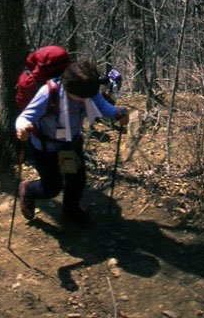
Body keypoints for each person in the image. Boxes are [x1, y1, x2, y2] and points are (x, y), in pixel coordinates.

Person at [15, 58, 129, 224]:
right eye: (81, 98)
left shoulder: (88, 90)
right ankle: (29, 190)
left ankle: (71, 209)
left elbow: (103, 107)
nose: (85, 100)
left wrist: (117, 113)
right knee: (52, 187)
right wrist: (22, 127)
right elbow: (24, 117)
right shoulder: (48, 93)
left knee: (77, 180)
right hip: (45, 148)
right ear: (68, 88)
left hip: (72, 143)